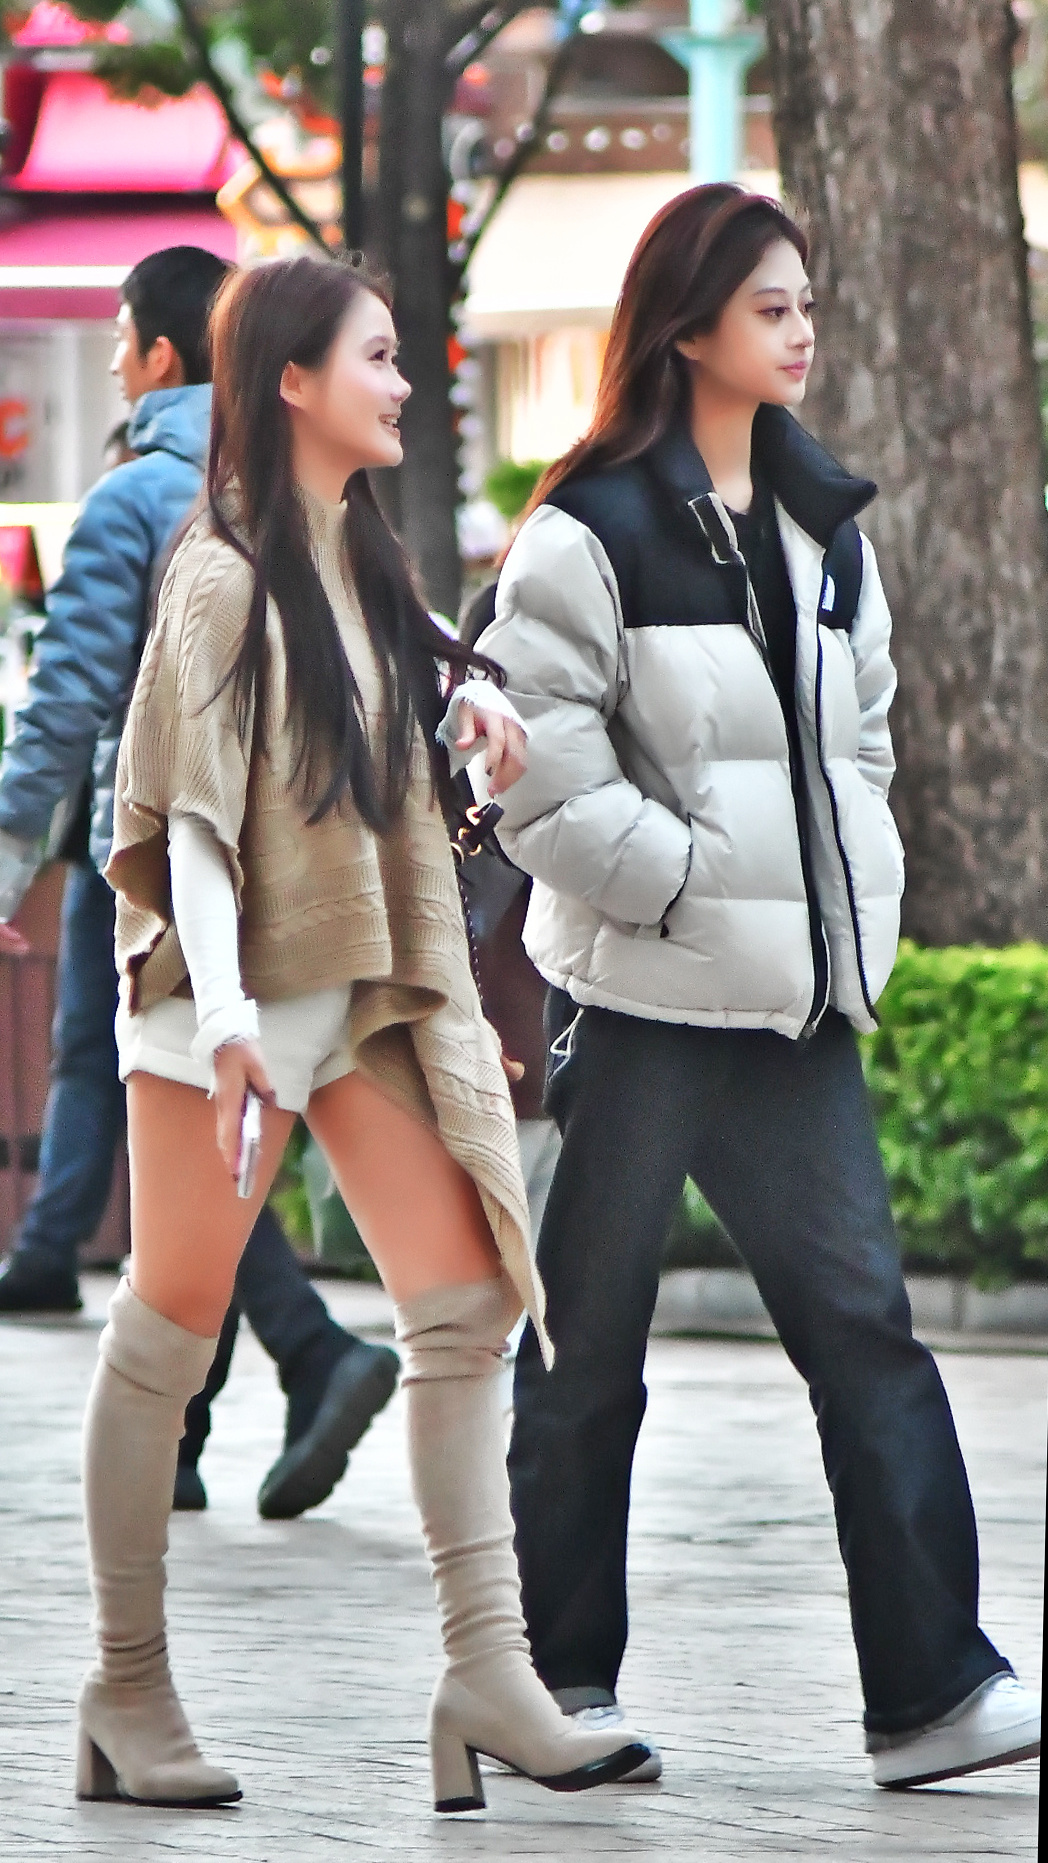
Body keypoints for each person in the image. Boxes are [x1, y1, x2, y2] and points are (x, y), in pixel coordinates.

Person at [472, 183, 1041, 1792]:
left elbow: (865, 742)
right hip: (643, 1007)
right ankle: (552, 1681)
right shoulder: (590, 530)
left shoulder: (824, 523)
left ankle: (933, 1690)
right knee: (589, 1348)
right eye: (772, 306)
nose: (802, 331)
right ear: (689, 325)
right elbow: (537, 776)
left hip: (792, 1016)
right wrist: (677, 885)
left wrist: (859, 910)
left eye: (806, 304)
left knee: (869, 1332)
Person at [79, 251, 651, 1811]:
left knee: (460, 1307)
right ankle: (126, 1685)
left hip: (366, 986)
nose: (406, 382)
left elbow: (362, 735)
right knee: (169, 1331)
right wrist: (231, 1020)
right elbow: (197, 821)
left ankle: (488, 1670)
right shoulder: (219, 569)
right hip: (235, 1000)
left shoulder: (359, 552)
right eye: (379, 357)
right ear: (290, 378)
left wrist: (466, 709)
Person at [0, 247, 398, 1520]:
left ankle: (292, 1359)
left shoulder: (135, 497)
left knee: (168, 1111)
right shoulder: (288, 483)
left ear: (164, 353)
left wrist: (9, 850)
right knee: (198, 1119)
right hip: (291, 852)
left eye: (123, 341)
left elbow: (69, 699)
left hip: (157, 844)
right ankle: (194, 1422)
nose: (117, 363)